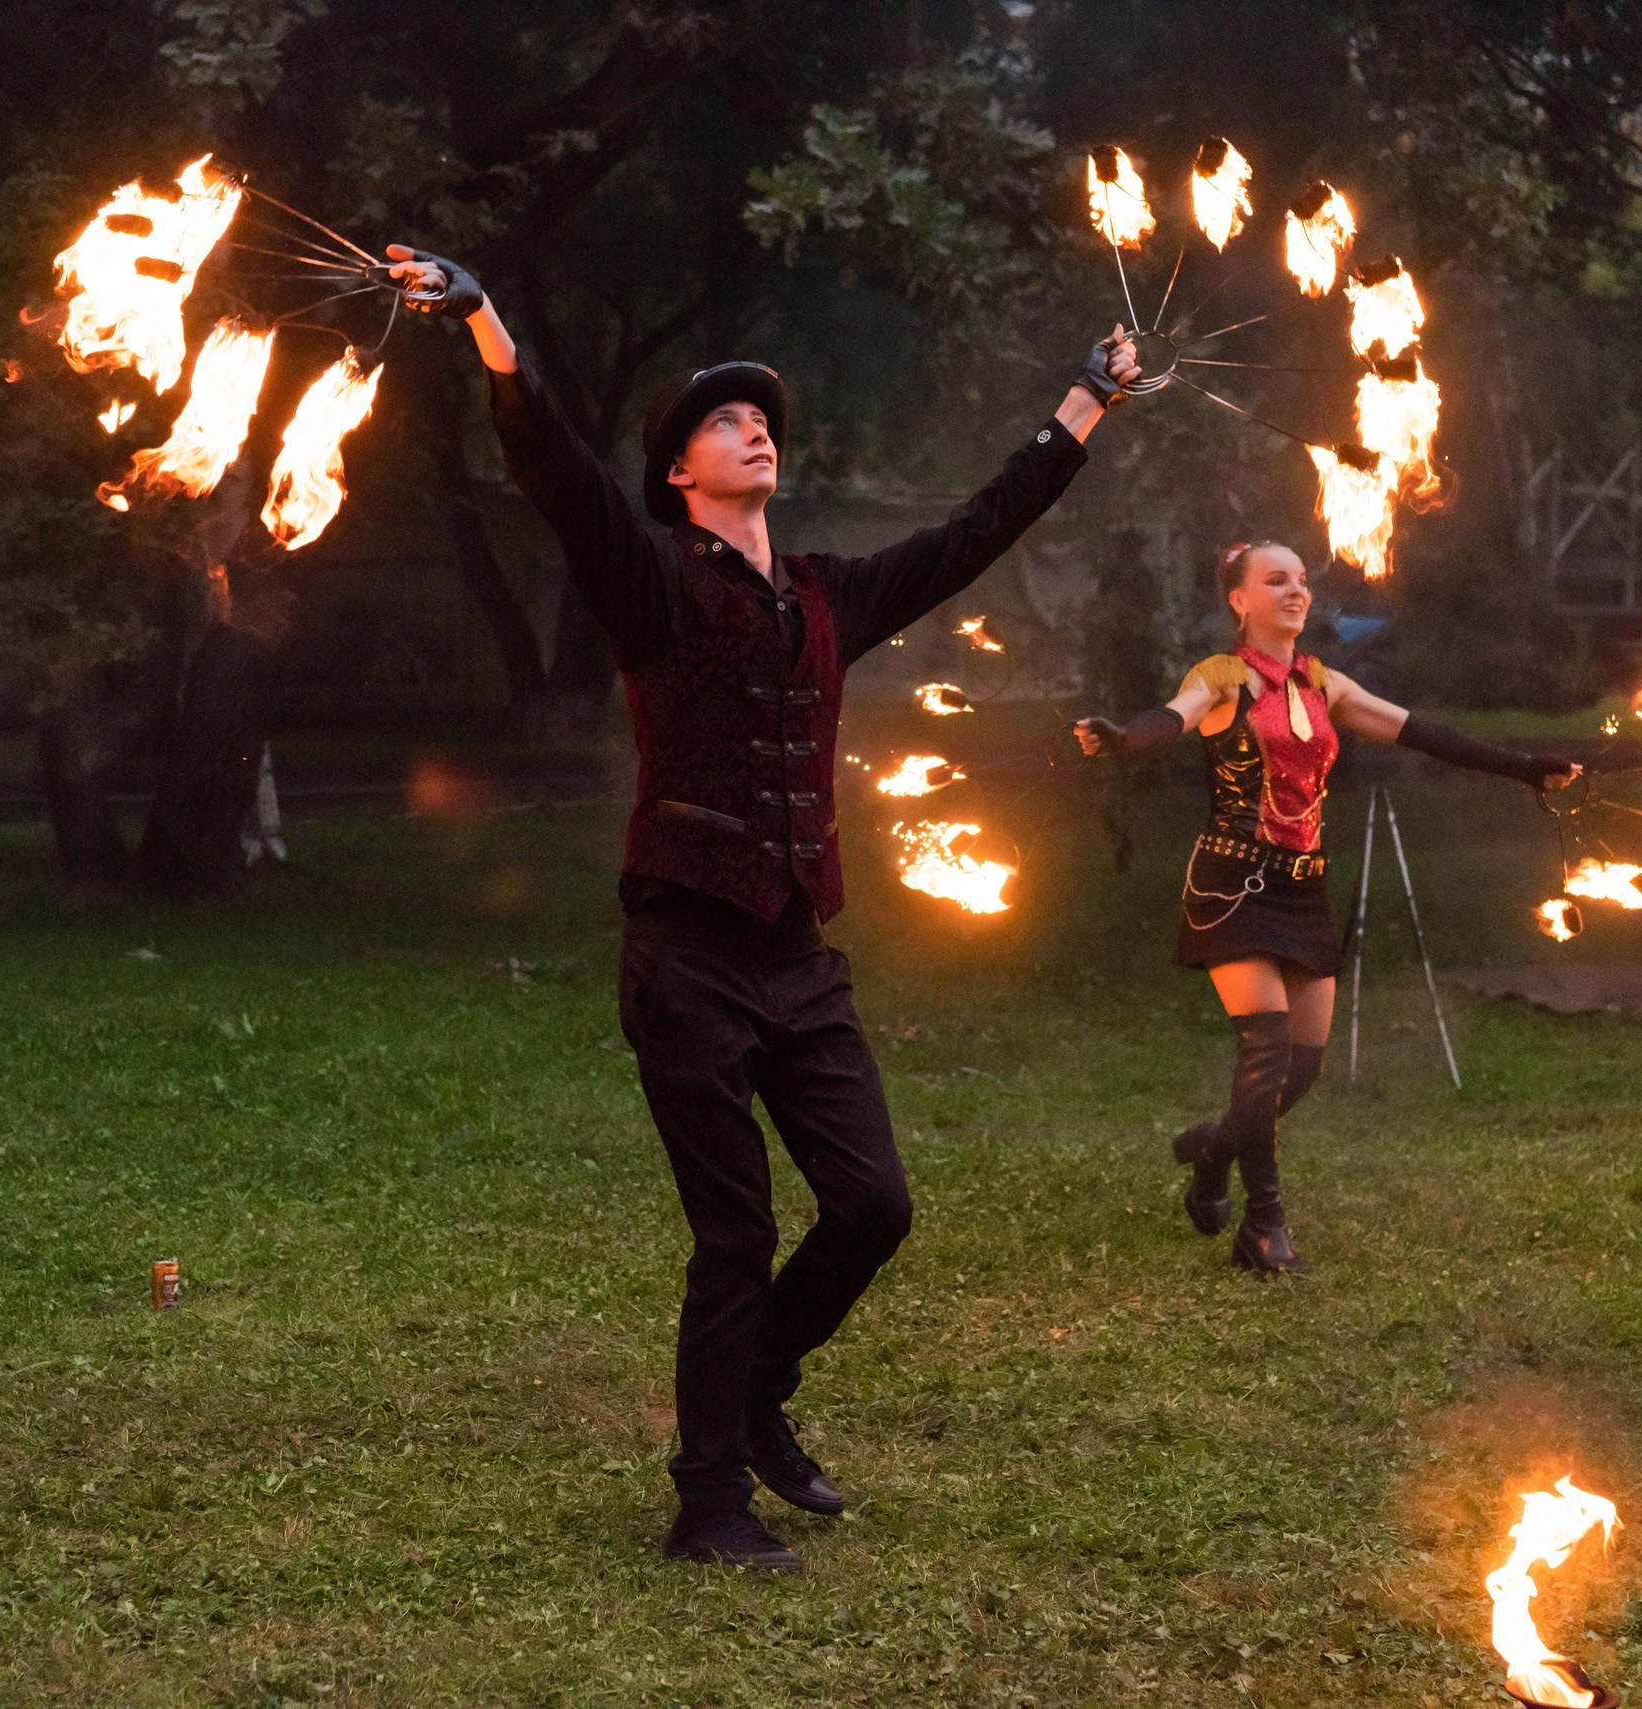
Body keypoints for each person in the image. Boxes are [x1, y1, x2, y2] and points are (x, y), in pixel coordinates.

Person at [383, 243, 1143, 1571]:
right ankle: (709, 1505)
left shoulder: (828, 595)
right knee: (734, 1228)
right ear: (681, 469)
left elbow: (973, 534)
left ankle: (755, 1389)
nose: (757, 432)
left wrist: (1082, 402)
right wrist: (491, 326)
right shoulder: (654, 576)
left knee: (874, 1207)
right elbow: (556, 475)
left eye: (765, 422)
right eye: (730, 421)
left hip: (798, 953)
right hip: (686, 954)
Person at [1074, 543, 1579, 1275]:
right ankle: (1265, 1226)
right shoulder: (1220, 678)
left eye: (1303, 580)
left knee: (1303, 1067)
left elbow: (1425, 734)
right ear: (1240, 601)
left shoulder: (1324, 682)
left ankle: (1214, 1150)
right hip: (1233, 884)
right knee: (1268, 1045)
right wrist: (1125, 740)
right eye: (1276, 579)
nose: (1296, 590)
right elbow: (1171, 718)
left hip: (1303, 886)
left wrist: (1525, 767)